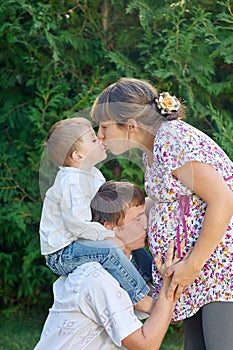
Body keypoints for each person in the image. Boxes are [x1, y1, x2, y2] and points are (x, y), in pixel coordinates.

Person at [91, 77, 233, 350]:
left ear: (130, 126)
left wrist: (191, 265)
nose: (100, 135)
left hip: (219, 269)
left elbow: (223, 200)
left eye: (105, 126)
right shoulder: (152, 150)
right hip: (197, 271)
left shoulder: (172, 139)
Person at [34, 181, 181, 350]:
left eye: (144, 215)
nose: (146, 224)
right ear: (109, 226)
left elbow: (168, 314)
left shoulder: (130, 266)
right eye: (137, 219)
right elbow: (146, 345)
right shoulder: (96, 278)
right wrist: (168, 290)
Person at [39, 117, 153, 314]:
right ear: (78, 156)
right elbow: (78, 225)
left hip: (82, 242)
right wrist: (110, 236)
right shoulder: (71, 182)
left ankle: (155, 278)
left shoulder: (93, 174)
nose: (101, 140)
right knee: (110, 249)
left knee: (132, 242)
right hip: (63, 252)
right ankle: (140, 299)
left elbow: (106, 210)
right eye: (93, 140)